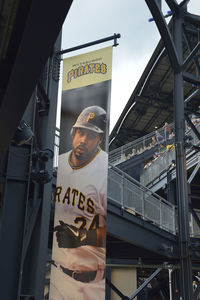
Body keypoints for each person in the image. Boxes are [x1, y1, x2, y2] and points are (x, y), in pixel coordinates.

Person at [49, 106, 108, 300]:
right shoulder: (61, 164)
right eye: (80, 132)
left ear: (99, 139)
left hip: (91, 284)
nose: (83, 139)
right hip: (58, 277)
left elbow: (108, 228)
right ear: (73, 132)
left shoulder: (104, 170)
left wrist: (80, 237)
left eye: (90, 135)